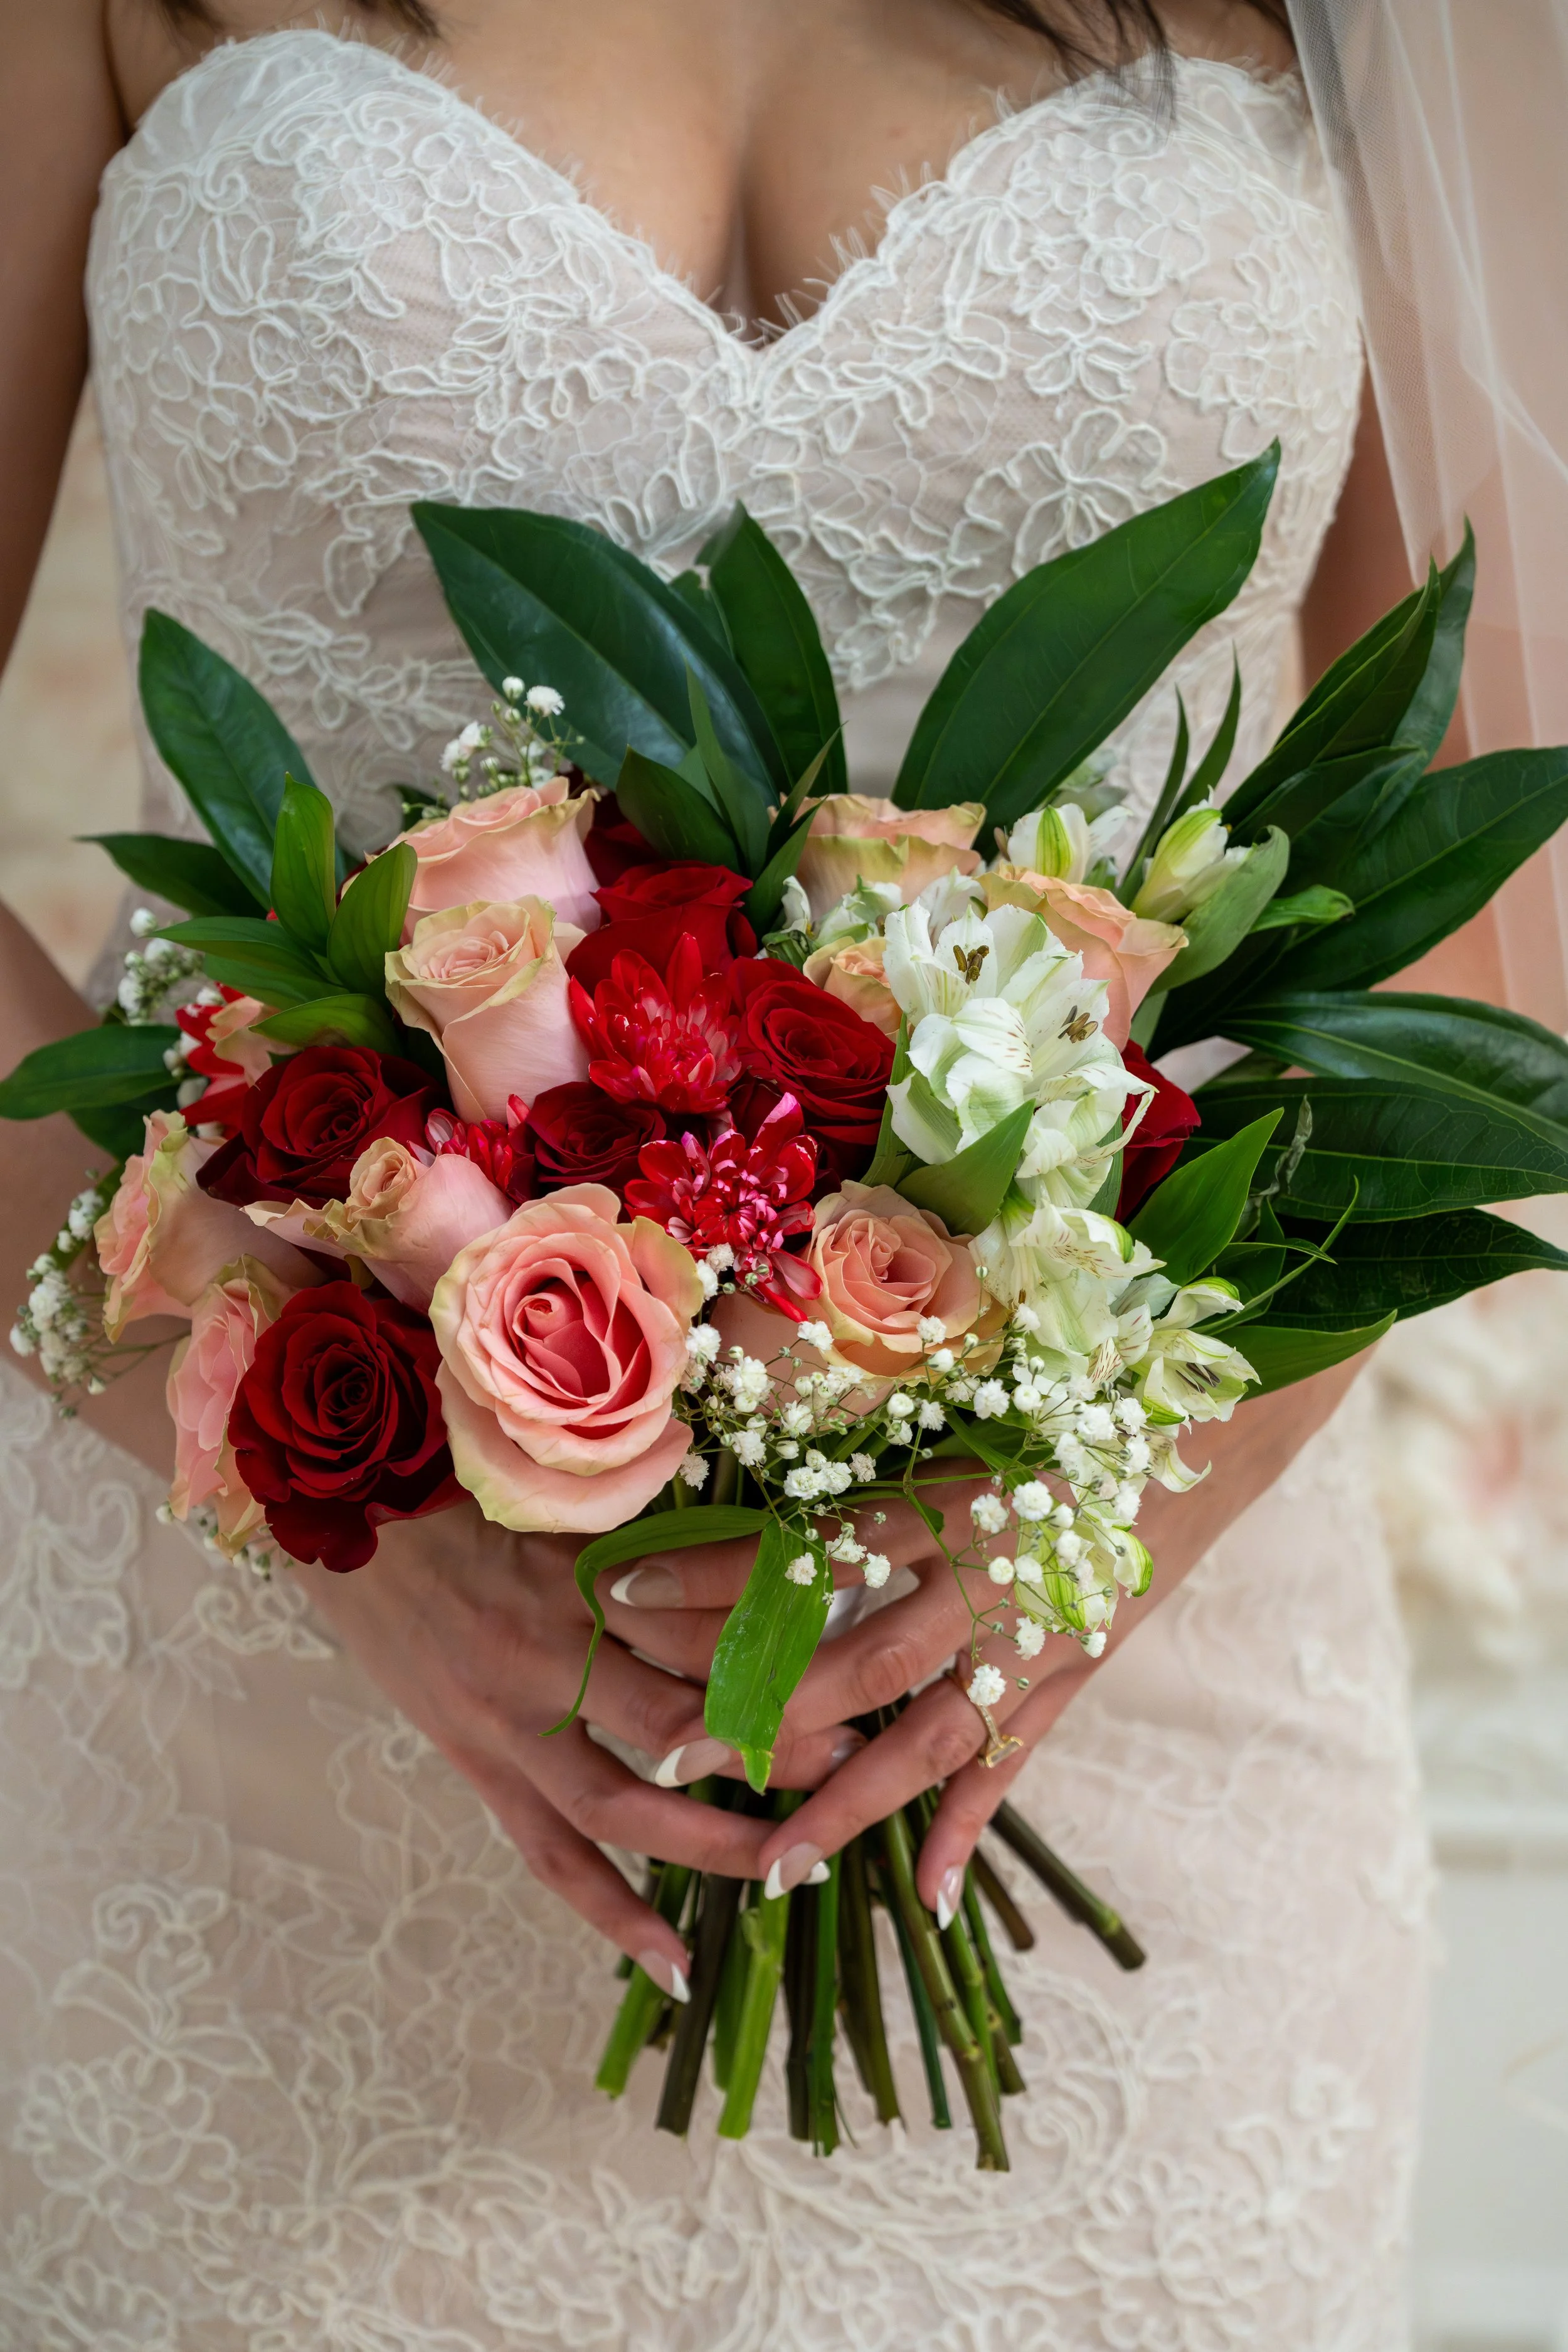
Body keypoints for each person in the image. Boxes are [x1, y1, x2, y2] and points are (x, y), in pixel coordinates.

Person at [0, 2, 1440, 2339]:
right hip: (263, 1729)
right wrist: (301, 1461)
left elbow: (1478, 821)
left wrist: (1109, 1519)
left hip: (1106, 1720)